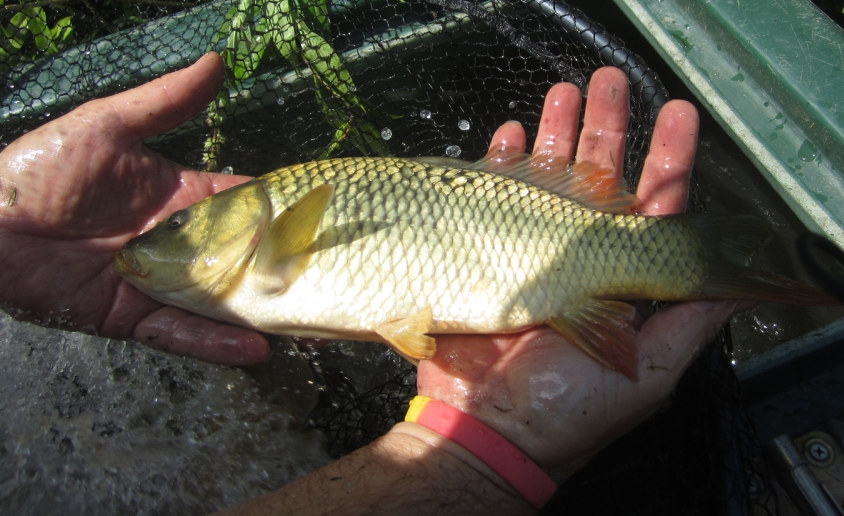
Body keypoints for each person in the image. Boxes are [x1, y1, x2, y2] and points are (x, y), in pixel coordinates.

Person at [0, 53, 744, 515]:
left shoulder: (267, 252)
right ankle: (735, 259)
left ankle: (719, 259)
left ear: (246, 229)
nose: (150, 247)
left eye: (175, 231)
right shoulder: (257, 248)